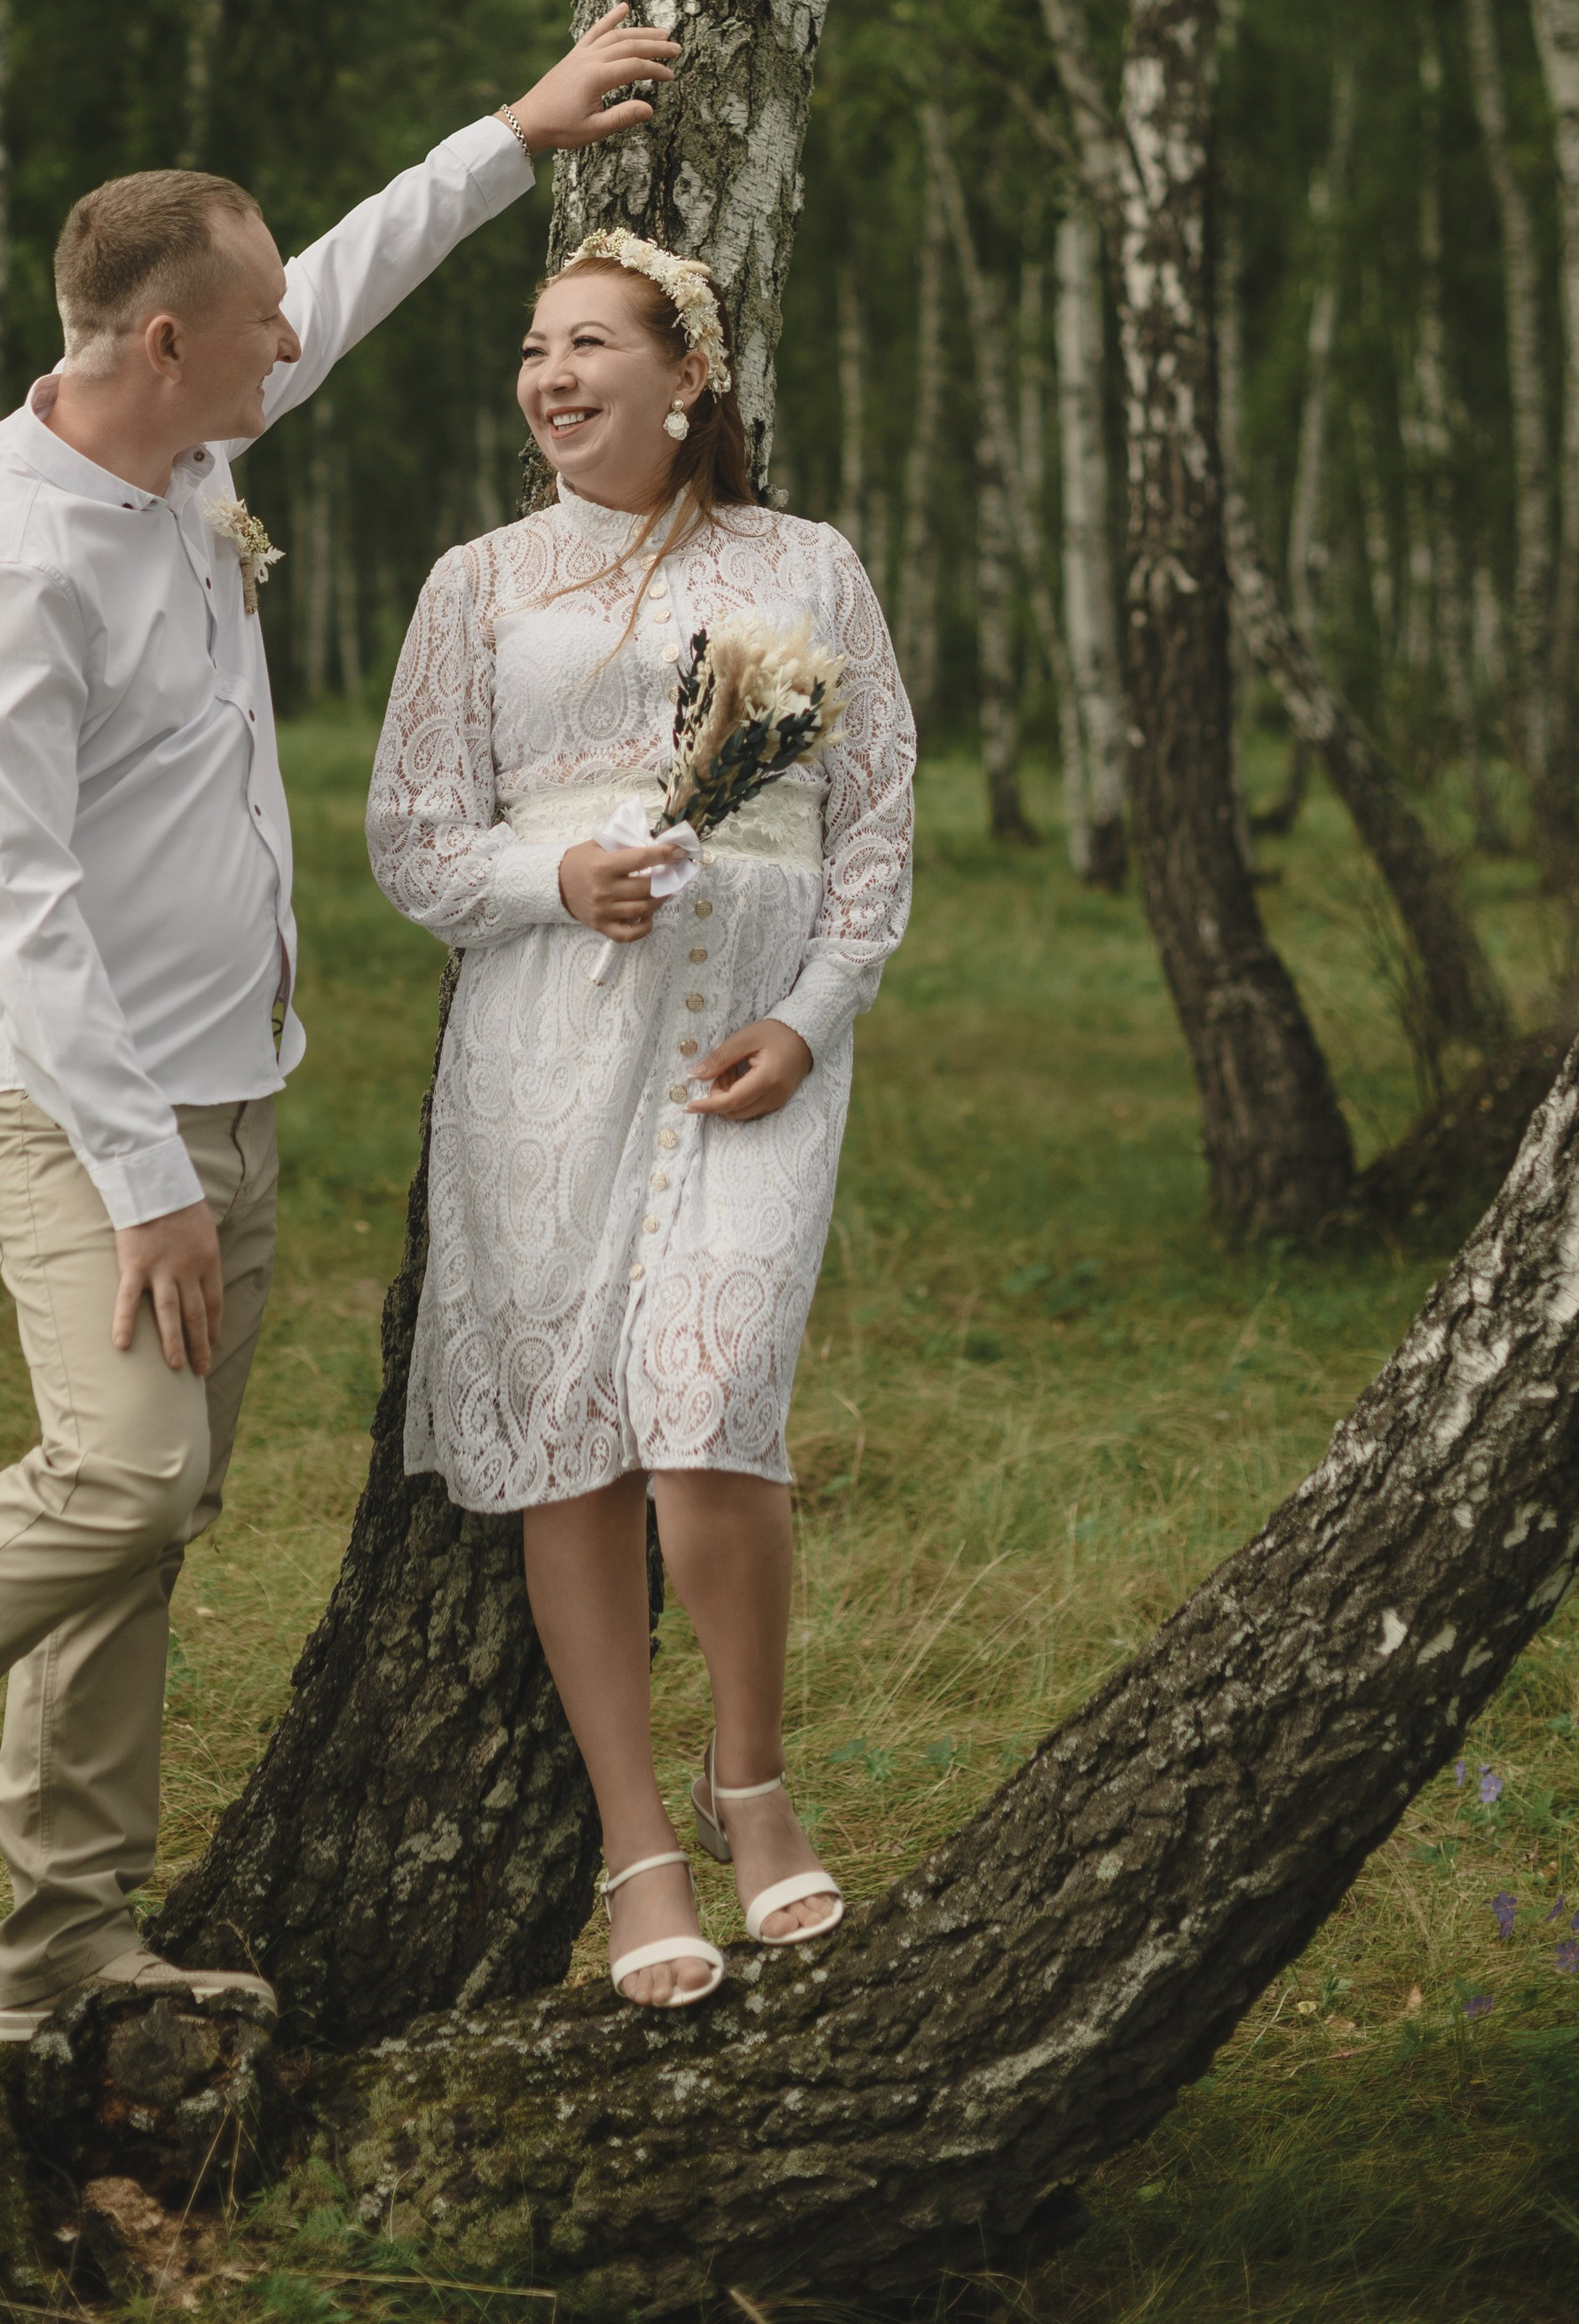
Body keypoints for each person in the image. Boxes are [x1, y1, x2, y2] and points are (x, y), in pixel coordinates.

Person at [0, 12, 675, 2038]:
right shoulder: (5, 565)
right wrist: (147, 1185)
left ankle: (62, 1948)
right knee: (127, 1472)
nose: (285, 353)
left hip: (230, 1090)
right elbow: (14, 910)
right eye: (249, 333)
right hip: (82, 1107)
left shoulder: (187, 443)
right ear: (162, 342)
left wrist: (513, 127)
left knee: (138, 1539)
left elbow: (338, 272)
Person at [366, 230, 916, 2009]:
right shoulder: (474, 583)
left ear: (689, 376)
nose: (549, 374)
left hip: (737, 1054)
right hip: (540, 1055)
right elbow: (413, 839)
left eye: (589, 340)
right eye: (533, 346)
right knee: (573, 1444)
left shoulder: (802, 563)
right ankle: (636, 1847)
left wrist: (807, 1020)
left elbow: (876, 827)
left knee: (707, 1405)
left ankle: (748, 1780)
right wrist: (555, 869)